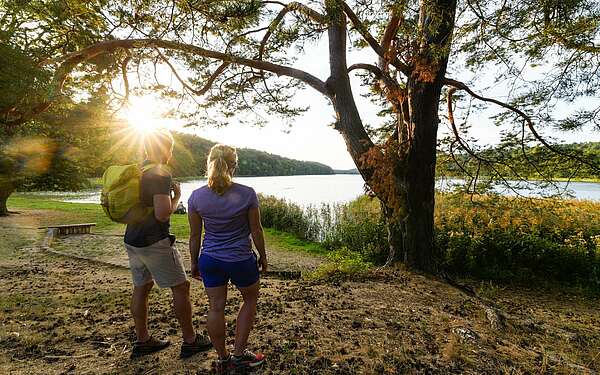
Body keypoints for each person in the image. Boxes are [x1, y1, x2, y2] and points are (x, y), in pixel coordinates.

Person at [123, 129, 211, 359]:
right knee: (181, 287)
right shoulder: (160, 174)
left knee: (141, 287)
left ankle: (143, 340)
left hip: (132, 238)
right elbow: (162, 214)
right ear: (167, 150)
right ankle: (191, 341)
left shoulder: (139, 170)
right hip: (154, 241)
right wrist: (177, 197)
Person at [187, 144, 267, 372]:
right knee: (250, 300)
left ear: (209, 163)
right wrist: (263, 256)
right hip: (240, 259)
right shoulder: (247, 193)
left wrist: (194, 262)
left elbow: (195, 235)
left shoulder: (196, 197)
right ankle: (240, 355)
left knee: (216, 308)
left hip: (210, 259)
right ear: (234, 165)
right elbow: (256, 230)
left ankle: (223, 360)